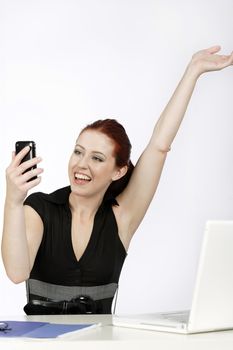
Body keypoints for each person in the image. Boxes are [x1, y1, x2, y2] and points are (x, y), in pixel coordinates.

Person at [2, 46, 233, 315]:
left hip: (102, 342)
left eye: (97, 158)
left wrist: (193, 71)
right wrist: (13, 201)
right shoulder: (37, 209)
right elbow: (17, 273)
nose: (81, 164)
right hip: (42, 343)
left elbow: (159, 145)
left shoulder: (122, 218)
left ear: (118, 171)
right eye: (78, 152)